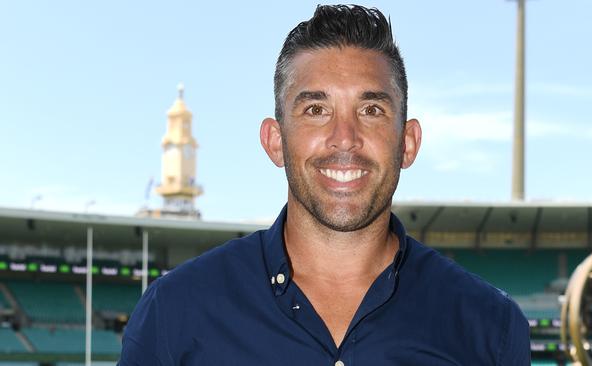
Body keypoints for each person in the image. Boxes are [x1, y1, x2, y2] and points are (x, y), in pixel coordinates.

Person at [119, 5, 531, 365]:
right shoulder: (175, 310)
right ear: (275, 141)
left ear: (407, 143)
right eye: (316, 109)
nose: (345, 137)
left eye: (371, 110)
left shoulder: (489, 325)